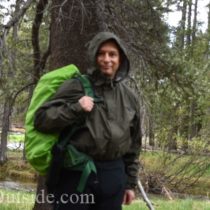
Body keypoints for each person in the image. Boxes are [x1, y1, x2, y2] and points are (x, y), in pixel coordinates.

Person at [34, 31, 141, 210]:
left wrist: (130, 183)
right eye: (101, 53)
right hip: (77, 175)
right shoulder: (76, 86)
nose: (107, 59)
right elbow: (42, 119)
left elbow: (134, 144)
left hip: (113, 176)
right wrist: (75, 108)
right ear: (93, 56)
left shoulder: (129, 97)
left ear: (120, 59)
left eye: (112, 54)